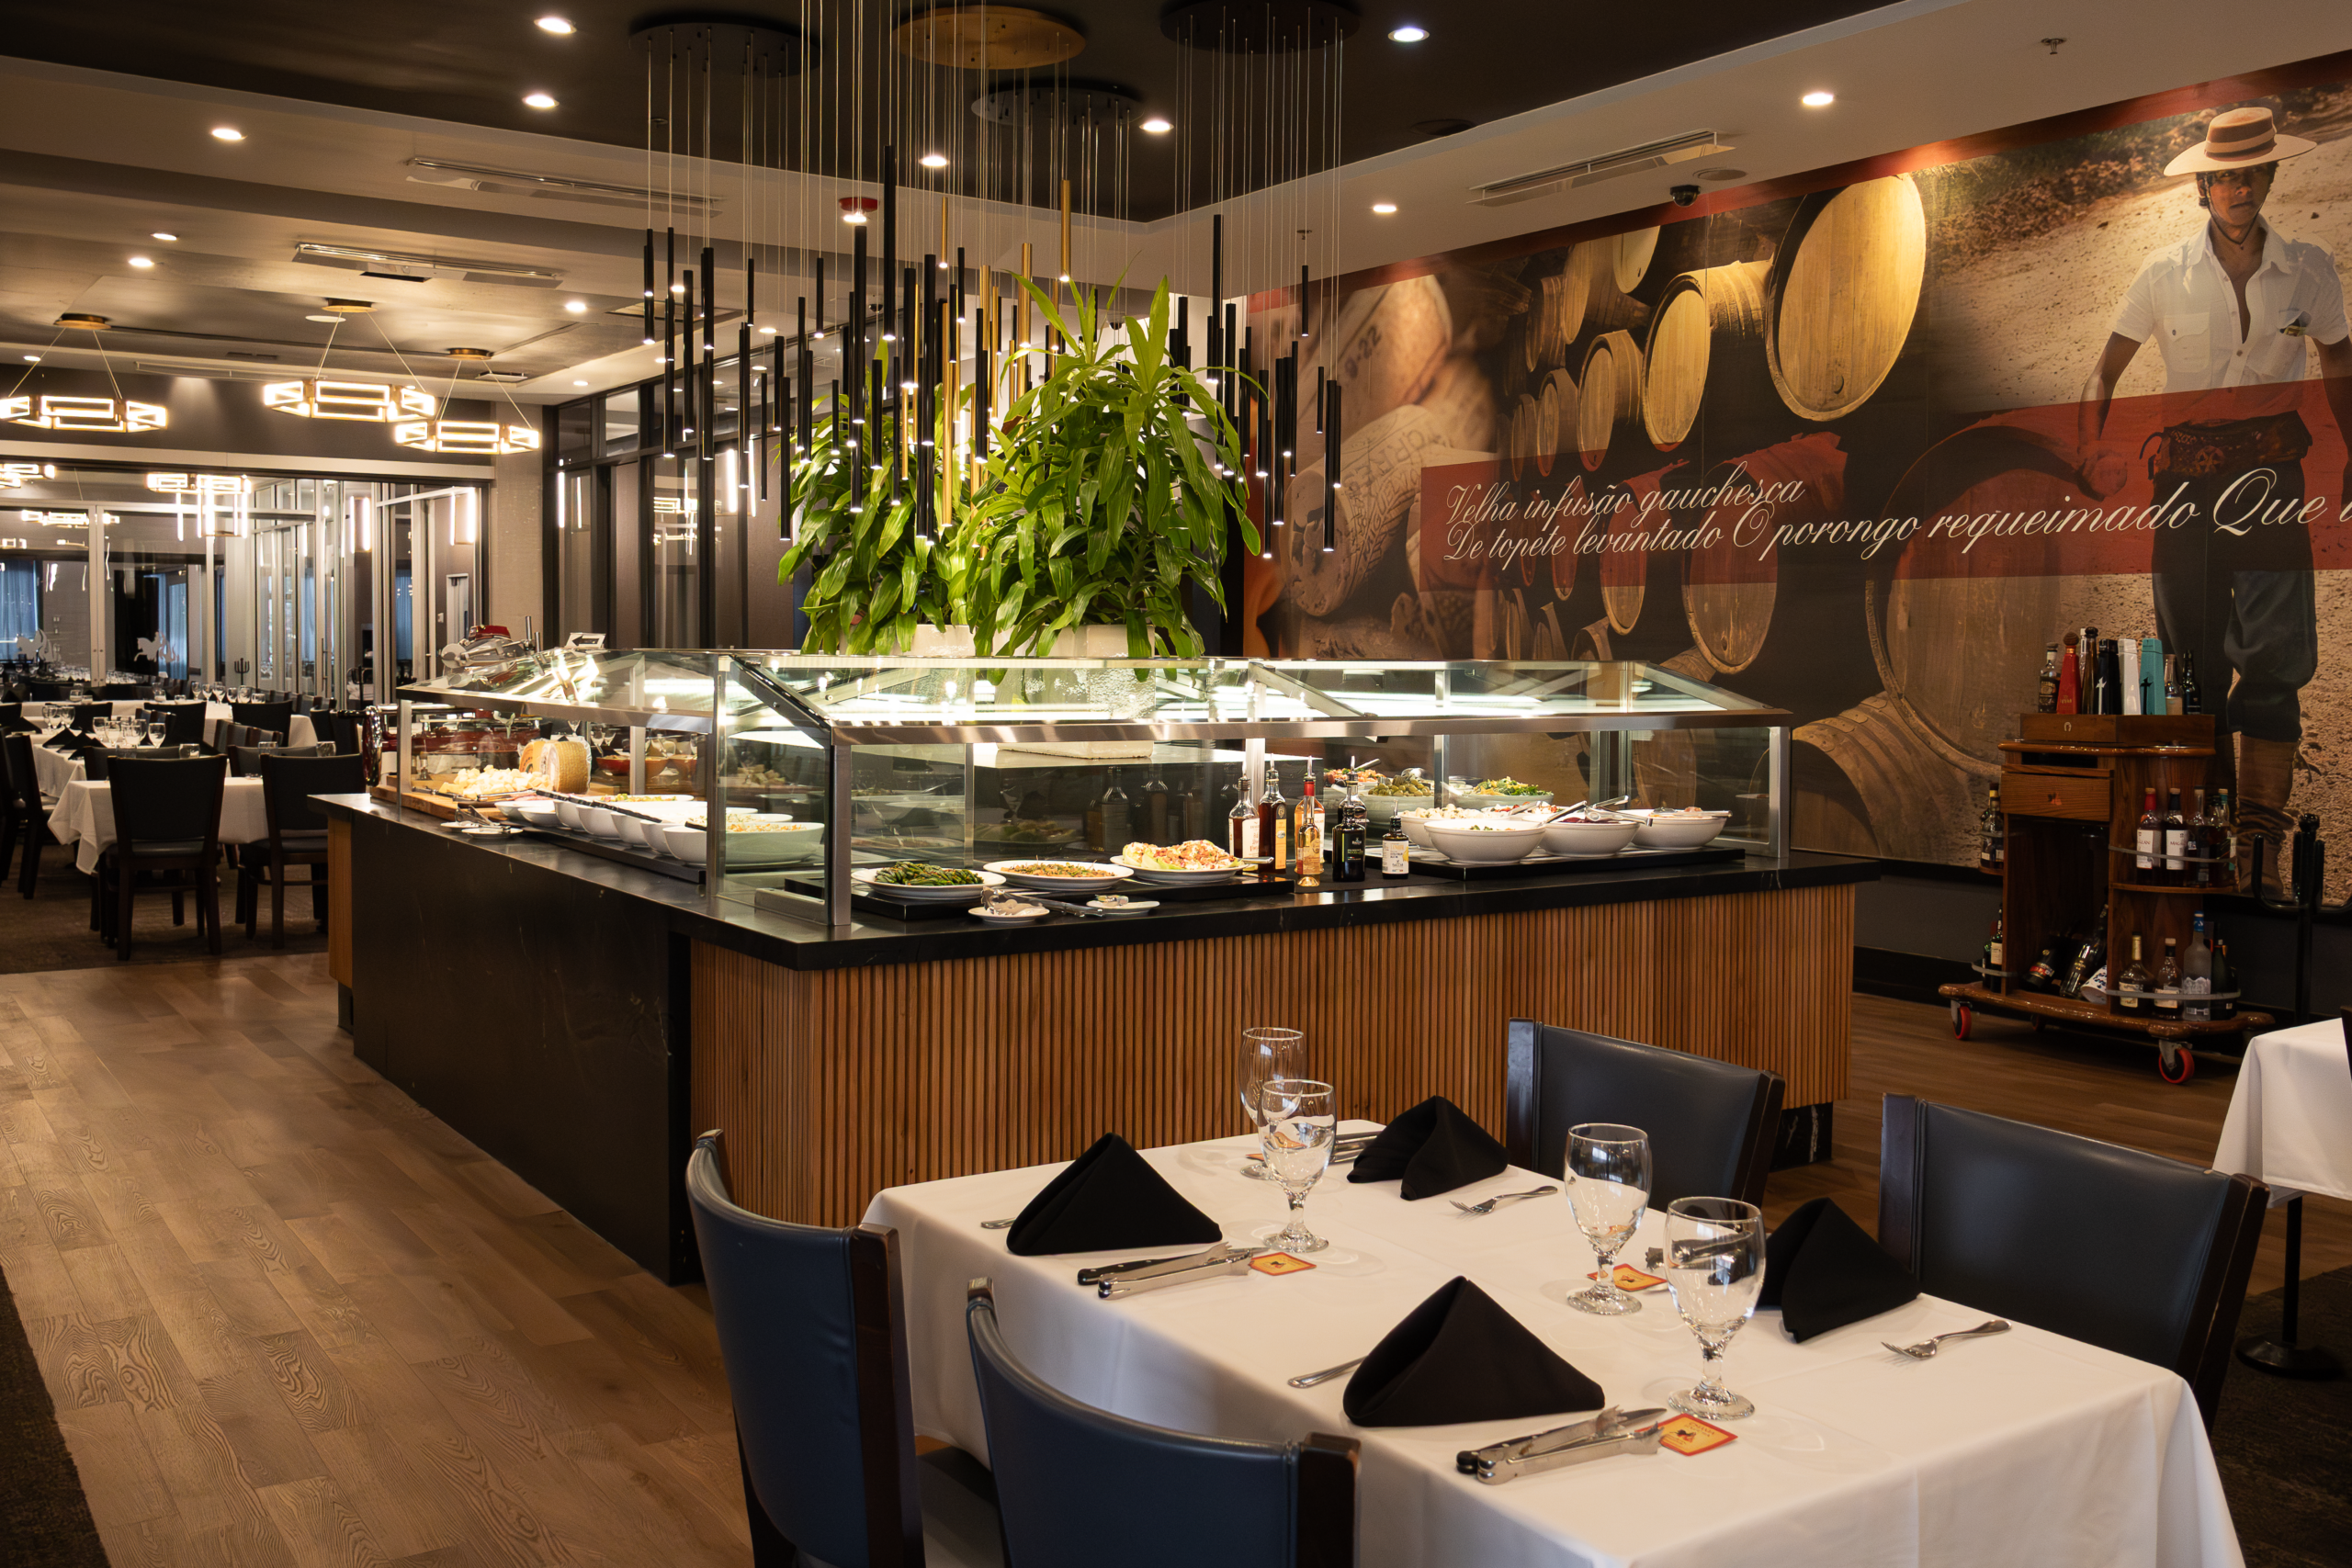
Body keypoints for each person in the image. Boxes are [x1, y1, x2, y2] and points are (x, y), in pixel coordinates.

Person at [2076, 104, 2352, 892]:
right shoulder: (2162, 274)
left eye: (2250, 173)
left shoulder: (2311, 271)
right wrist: (2090, 443)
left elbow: (2339, 361)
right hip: (2186, 485)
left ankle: (2261, 846)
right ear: (2202, 186)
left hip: (2270, 481)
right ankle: (2208, 847)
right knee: (2190, 667)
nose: (2237, 188)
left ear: (2269, 177)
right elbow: (2104, 368)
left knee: (2274, 659)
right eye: (2222, 176)